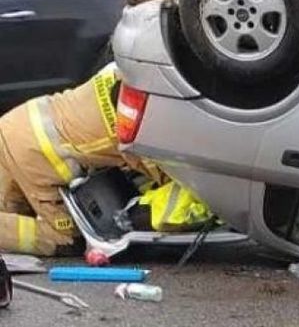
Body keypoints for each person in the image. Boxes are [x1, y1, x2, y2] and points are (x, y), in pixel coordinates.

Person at [0, 63, 210, 255]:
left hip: (17, 123)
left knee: (10, 213)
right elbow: (178, 186)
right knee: (67, 240)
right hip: (41, 154)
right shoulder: (146, 125)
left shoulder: (130, 65)